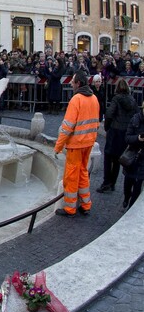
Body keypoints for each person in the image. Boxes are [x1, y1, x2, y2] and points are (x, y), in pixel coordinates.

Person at [54, 71, 100, 217]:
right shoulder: (94, 98)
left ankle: (70, 208)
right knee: (83, 173)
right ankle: (86, 205)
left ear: (78, 83)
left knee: (71, 176)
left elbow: (67, 127)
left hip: (76, 144)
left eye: (73, 81)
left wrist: (58, 146)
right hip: (89, 143)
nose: (71, 83)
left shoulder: (76, 99)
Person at [98, 79, 137, 193]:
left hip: (114, 131)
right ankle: (113, 183)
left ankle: (106, 182)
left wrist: (106, 127)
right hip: (125, 133)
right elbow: (136, 116)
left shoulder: (116, 99)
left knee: (108, 157)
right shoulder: (132, 100)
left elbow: (109, 114)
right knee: (117, 159)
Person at [122, 101, 144, 210]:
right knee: (128, 183)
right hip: (132, 157)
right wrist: (138, 139)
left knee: (138, 185)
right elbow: (127, 138)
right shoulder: (135, 119)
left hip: (143, 159)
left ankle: (131, 208)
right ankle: (126, 197)